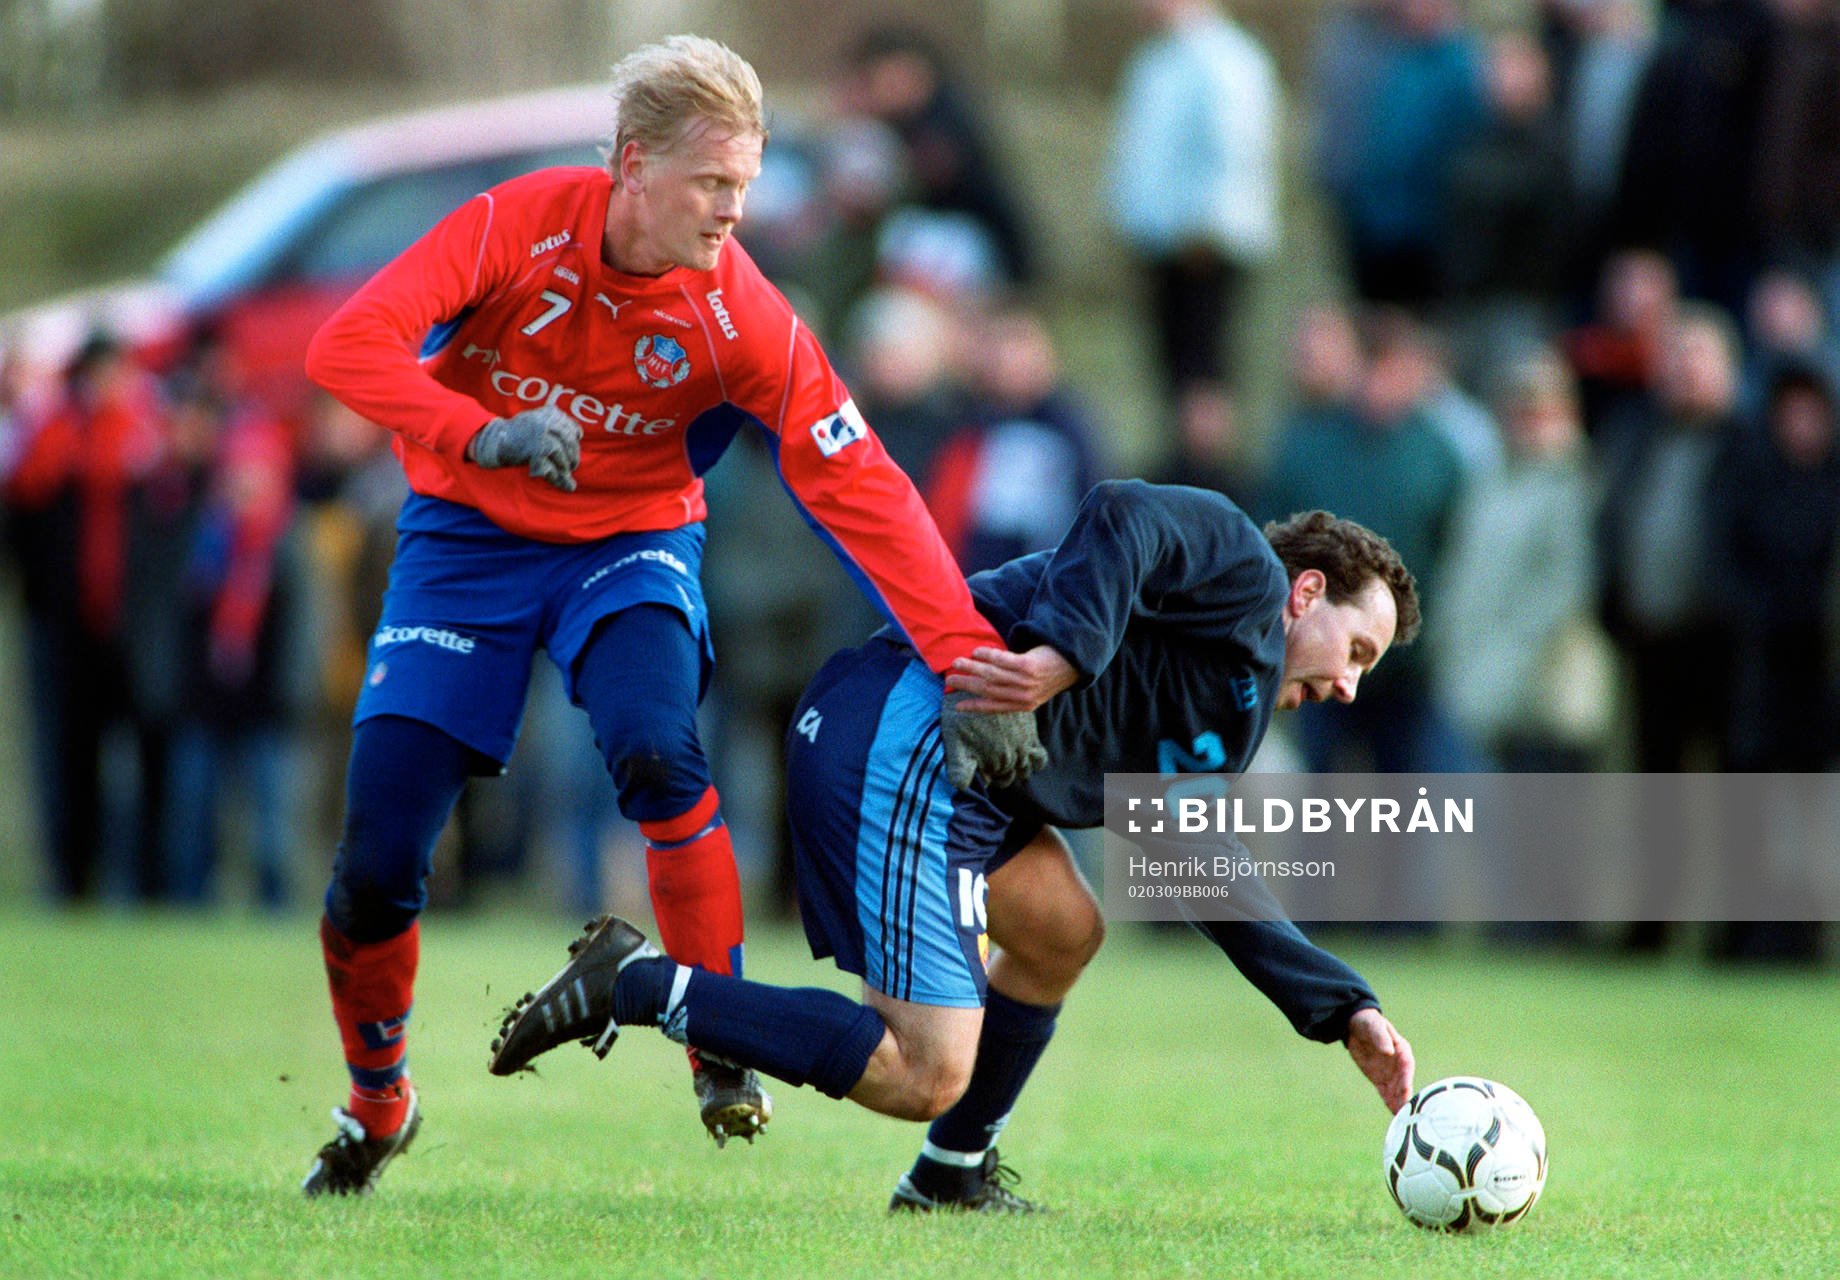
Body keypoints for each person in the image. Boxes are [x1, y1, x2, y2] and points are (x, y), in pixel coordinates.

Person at [296, 35, 1045, 1197]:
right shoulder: (513, 223)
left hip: (630, 541)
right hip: (464, 544)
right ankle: (376, 1100)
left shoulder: (739, 310)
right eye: (713, 185)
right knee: (380, 858)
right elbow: (347, 344)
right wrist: (477, 432)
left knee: (657, 744)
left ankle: (715, 1043)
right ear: (632, 167)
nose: (734, 213)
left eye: (746, 187)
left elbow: (862, 486)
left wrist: (965, 658)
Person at [489, 481, 1420, 1212]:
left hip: (971, 790)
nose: (1349, 686)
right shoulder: (1242, 568)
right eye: (1360, 651)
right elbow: (1122, 513)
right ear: (1306, 593)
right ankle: (630, 983)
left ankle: (950, 1177)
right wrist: (1059, 658)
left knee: (1063, 930)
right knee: (925, 1071)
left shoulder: (1235, 711)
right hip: (906, 737)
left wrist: (1342, 1009)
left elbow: (1197, 861)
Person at [1106, 0, 1279, 417]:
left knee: (1205, 367)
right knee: (1174, 368)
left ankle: (1205, 464)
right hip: (1163, 242)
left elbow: (1235, 150)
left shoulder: (1227, 58)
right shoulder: (1156, 59)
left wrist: (1206, 228)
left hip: (1203, 245)